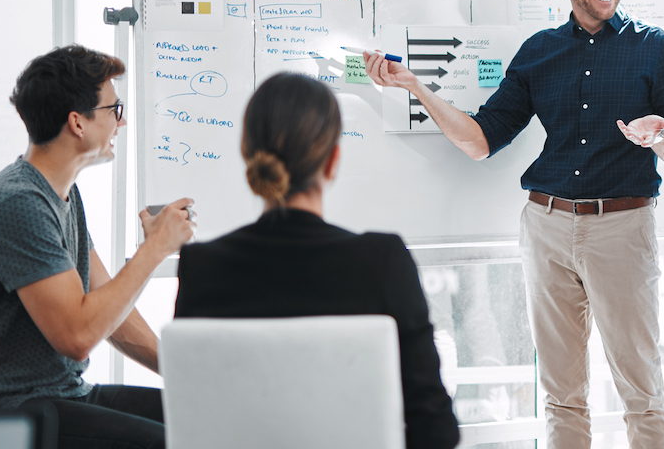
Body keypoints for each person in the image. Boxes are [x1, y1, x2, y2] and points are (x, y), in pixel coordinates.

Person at [365, 0, 664, 449]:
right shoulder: (540, 52)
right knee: (561, 394)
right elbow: (480, 140)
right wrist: (415, 87)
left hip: (622, 228)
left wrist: (661, 138)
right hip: (546, 227)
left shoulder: (656, 49)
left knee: (642, 391)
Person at [173, 72, 459, 449]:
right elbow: (434, 429)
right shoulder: (382, 261)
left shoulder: (201, 266)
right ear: (333, 161)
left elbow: (199, 417)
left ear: (248, 154)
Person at [0, 45, 196, 448]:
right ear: (77, 122)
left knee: (206, 418)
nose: (120, 124)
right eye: (114, 111)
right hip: (5, 412)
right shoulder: (17, 203)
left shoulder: (61, 196)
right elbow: (77, 337)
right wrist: (155, 249)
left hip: (57, 395)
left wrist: (185, 372)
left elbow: (110, 312)